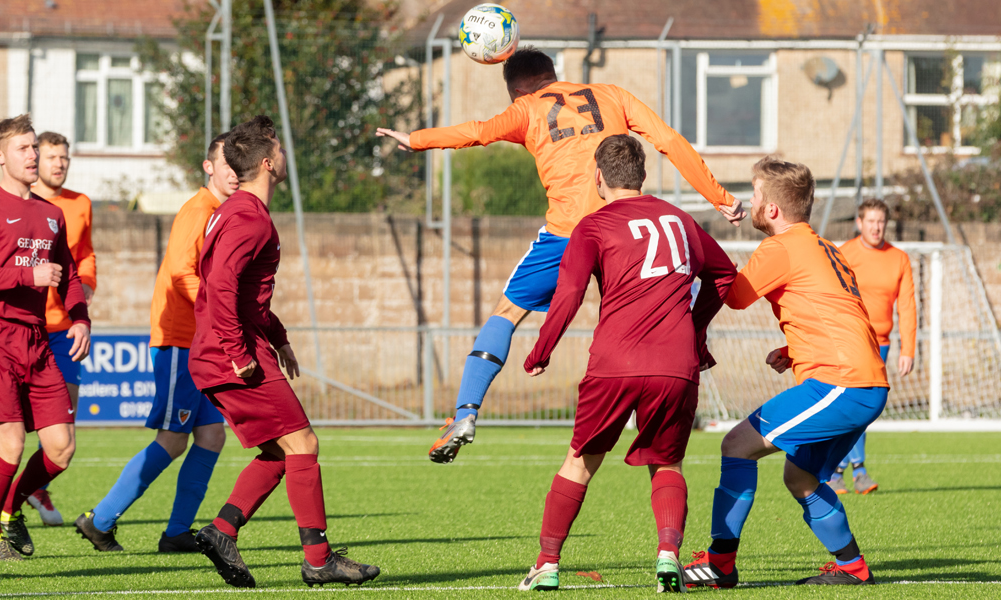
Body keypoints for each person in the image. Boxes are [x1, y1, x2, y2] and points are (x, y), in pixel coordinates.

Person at [374, 48, 744, 464]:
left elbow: (477, 131)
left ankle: (465, 413)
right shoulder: (611, 94)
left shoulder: (527, 109)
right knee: (656, 302)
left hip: (568, 234)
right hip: (627, 227)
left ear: (516, 90)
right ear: (555, 73)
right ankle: (693, 355)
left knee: (506, 313)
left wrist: (415, 139)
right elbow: (669, 141)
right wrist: (720, 198)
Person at [517, 135, 738, 592]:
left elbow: (570, 295)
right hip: (676, 365)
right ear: (641, 176)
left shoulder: (593, 226)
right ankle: (667, 558)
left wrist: (542, 350)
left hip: (615, 363)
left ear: (598, 177)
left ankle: (547, 564)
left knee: (579, 462)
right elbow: (725, 274)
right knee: (668, 464)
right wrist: (693, 330)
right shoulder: (681, 221)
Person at [190, 116, 380, 588]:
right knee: (305, 444)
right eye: (279, 147)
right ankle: (318, 559)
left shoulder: (234, 209)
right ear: (269, 162)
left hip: (223, 349)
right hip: (228, 352)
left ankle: (222, 531)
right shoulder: (250, 215)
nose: (285, 154)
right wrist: (238, 350)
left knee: (281, 453)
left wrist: (278, 336)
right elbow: (220, 285)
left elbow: (247, 294)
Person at [683, 157, 889, 588]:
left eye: (756, 195)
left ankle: (720, 564)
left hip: (841, 382)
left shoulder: (782, 246)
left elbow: (733, 296)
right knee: (800, 477)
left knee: (737, 445)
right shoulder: (825, 247)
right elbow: (842, 314)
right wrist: (794, 349)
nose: (751, 202)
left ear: (772, 209)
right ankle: (853, 568)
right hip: (861, 381)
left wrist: (697, 247)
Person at [76, 132, 236, 553]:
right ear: (208, 166)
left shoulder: (222, 211)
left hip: (203, 343)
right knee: (172, 438)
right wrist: (218, 312)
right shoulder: (198, 210)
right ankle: (100, 519)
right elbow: (184, 273)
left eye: (240, 165)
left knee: (211, 437)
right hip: (181, 341)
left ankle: (176, 532)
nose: (234, 173)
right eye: (226, 163)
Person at [0, 115, 92, 562]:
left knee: (61, 448)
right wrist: (26, 274)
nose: (34, 155)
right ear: (0, 156)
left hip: (38, 340)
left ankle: (12, 509)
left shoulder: (52, 214)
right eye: (24, 148)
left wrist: (79, 318)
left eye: (35, 147)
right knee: (12, 444)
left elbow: (70, 273)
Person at [829, 198, 915, 495]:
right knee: (855, 407)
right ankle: (854, 471)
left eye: (881, 222)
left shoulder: (899, 258)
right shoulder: (844, 254)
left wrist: (908, 349)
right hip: (849, 342)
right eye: (871, 221)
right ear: (859, 222)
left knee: (863, 410)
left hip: (881, 345)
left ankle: (841, 471)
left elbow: (907, 306)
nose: (877, 227)